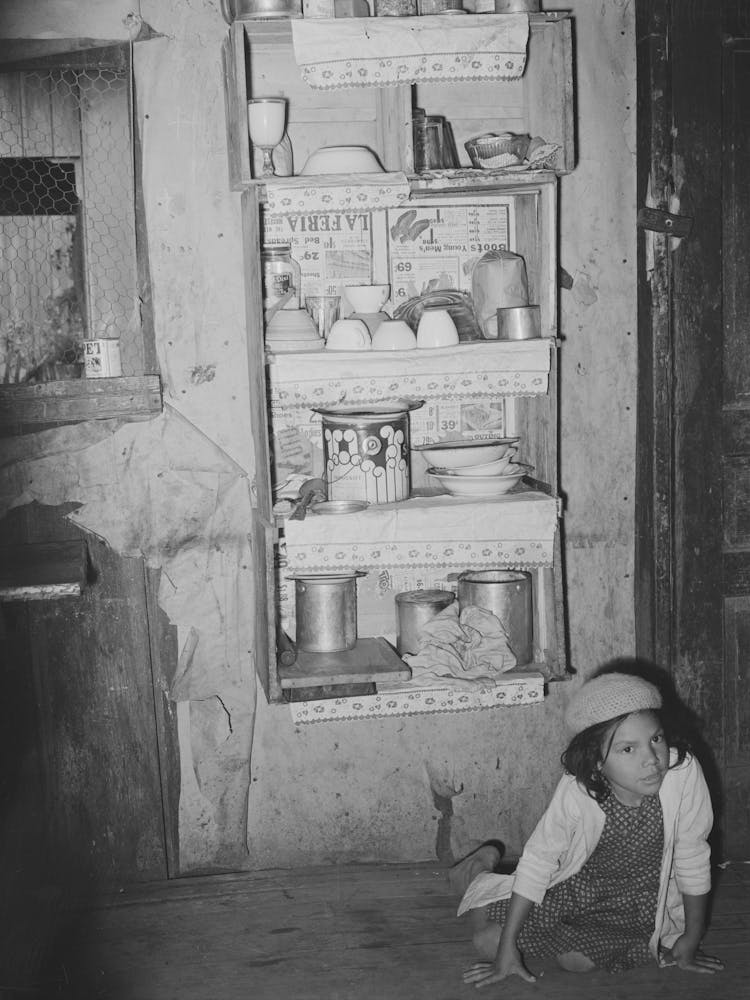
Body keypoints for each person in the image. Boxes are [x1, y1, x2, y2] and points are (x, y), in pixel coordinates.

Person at [449, 671, 724, 986]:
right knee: (486, 940)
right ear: (596, 762)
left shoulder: (682, 773)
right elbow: (540, 858)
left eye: (656, 738)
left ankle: (478, 873)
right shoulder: (578, 787)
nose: (651, 759)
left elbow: (693, 854)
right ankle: (478, 869)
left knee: (575, 962)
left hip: (635, 902)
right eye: (628, 749)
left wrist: (692, 936)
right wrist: (507, 947)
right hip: (576, 889)